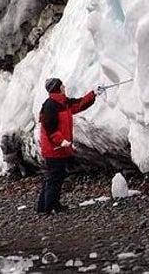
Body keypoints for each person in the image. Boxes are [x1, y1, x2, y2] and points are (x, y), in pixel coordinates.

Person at [36, 77, 103, 214]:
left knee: (53, 177)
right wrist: (61, 141)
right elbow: (50, 129)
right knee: (54, 178)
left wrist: (93, 94)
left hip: (58, 148)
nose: (64, 87)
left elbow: (79, 104)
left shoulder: (62, 103)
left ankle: (45, 207)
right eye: (62, 85)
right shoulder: (50, 105)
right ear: (57, 88)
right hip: (54, 149)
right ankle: (48, 209)